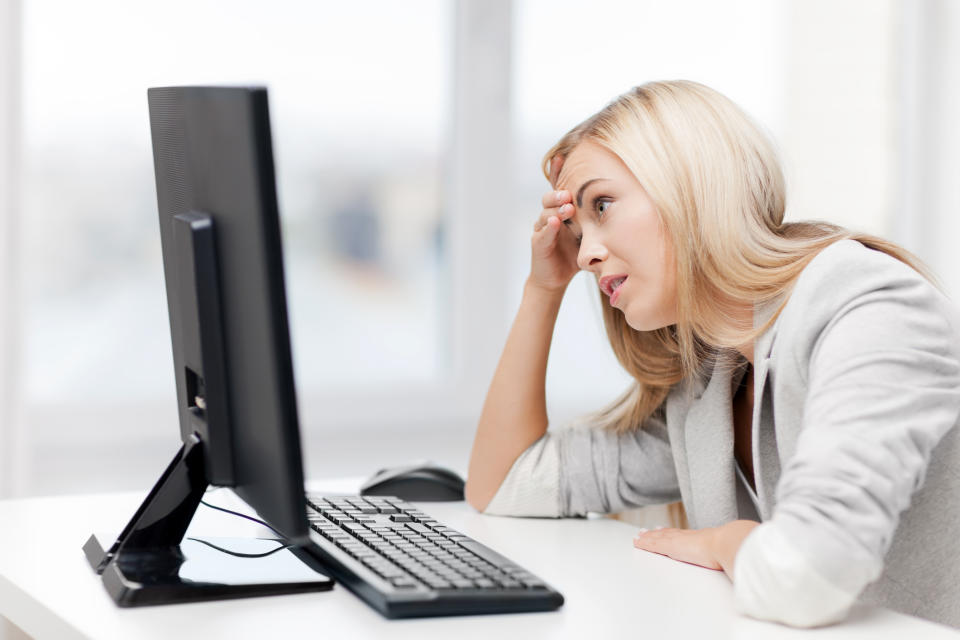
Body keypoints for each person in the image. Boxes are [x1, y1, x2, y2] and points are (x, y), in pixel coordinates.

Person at [464, 80, 960, 629]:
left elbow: (805, 578)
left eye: (602, 205)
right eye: (577, 232)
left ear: (691, 185)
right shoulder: (709, 383)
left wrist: (729, 540)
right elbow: (503, 482)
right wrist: (542, 290)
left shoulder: (868, 308)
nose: (584, 256)